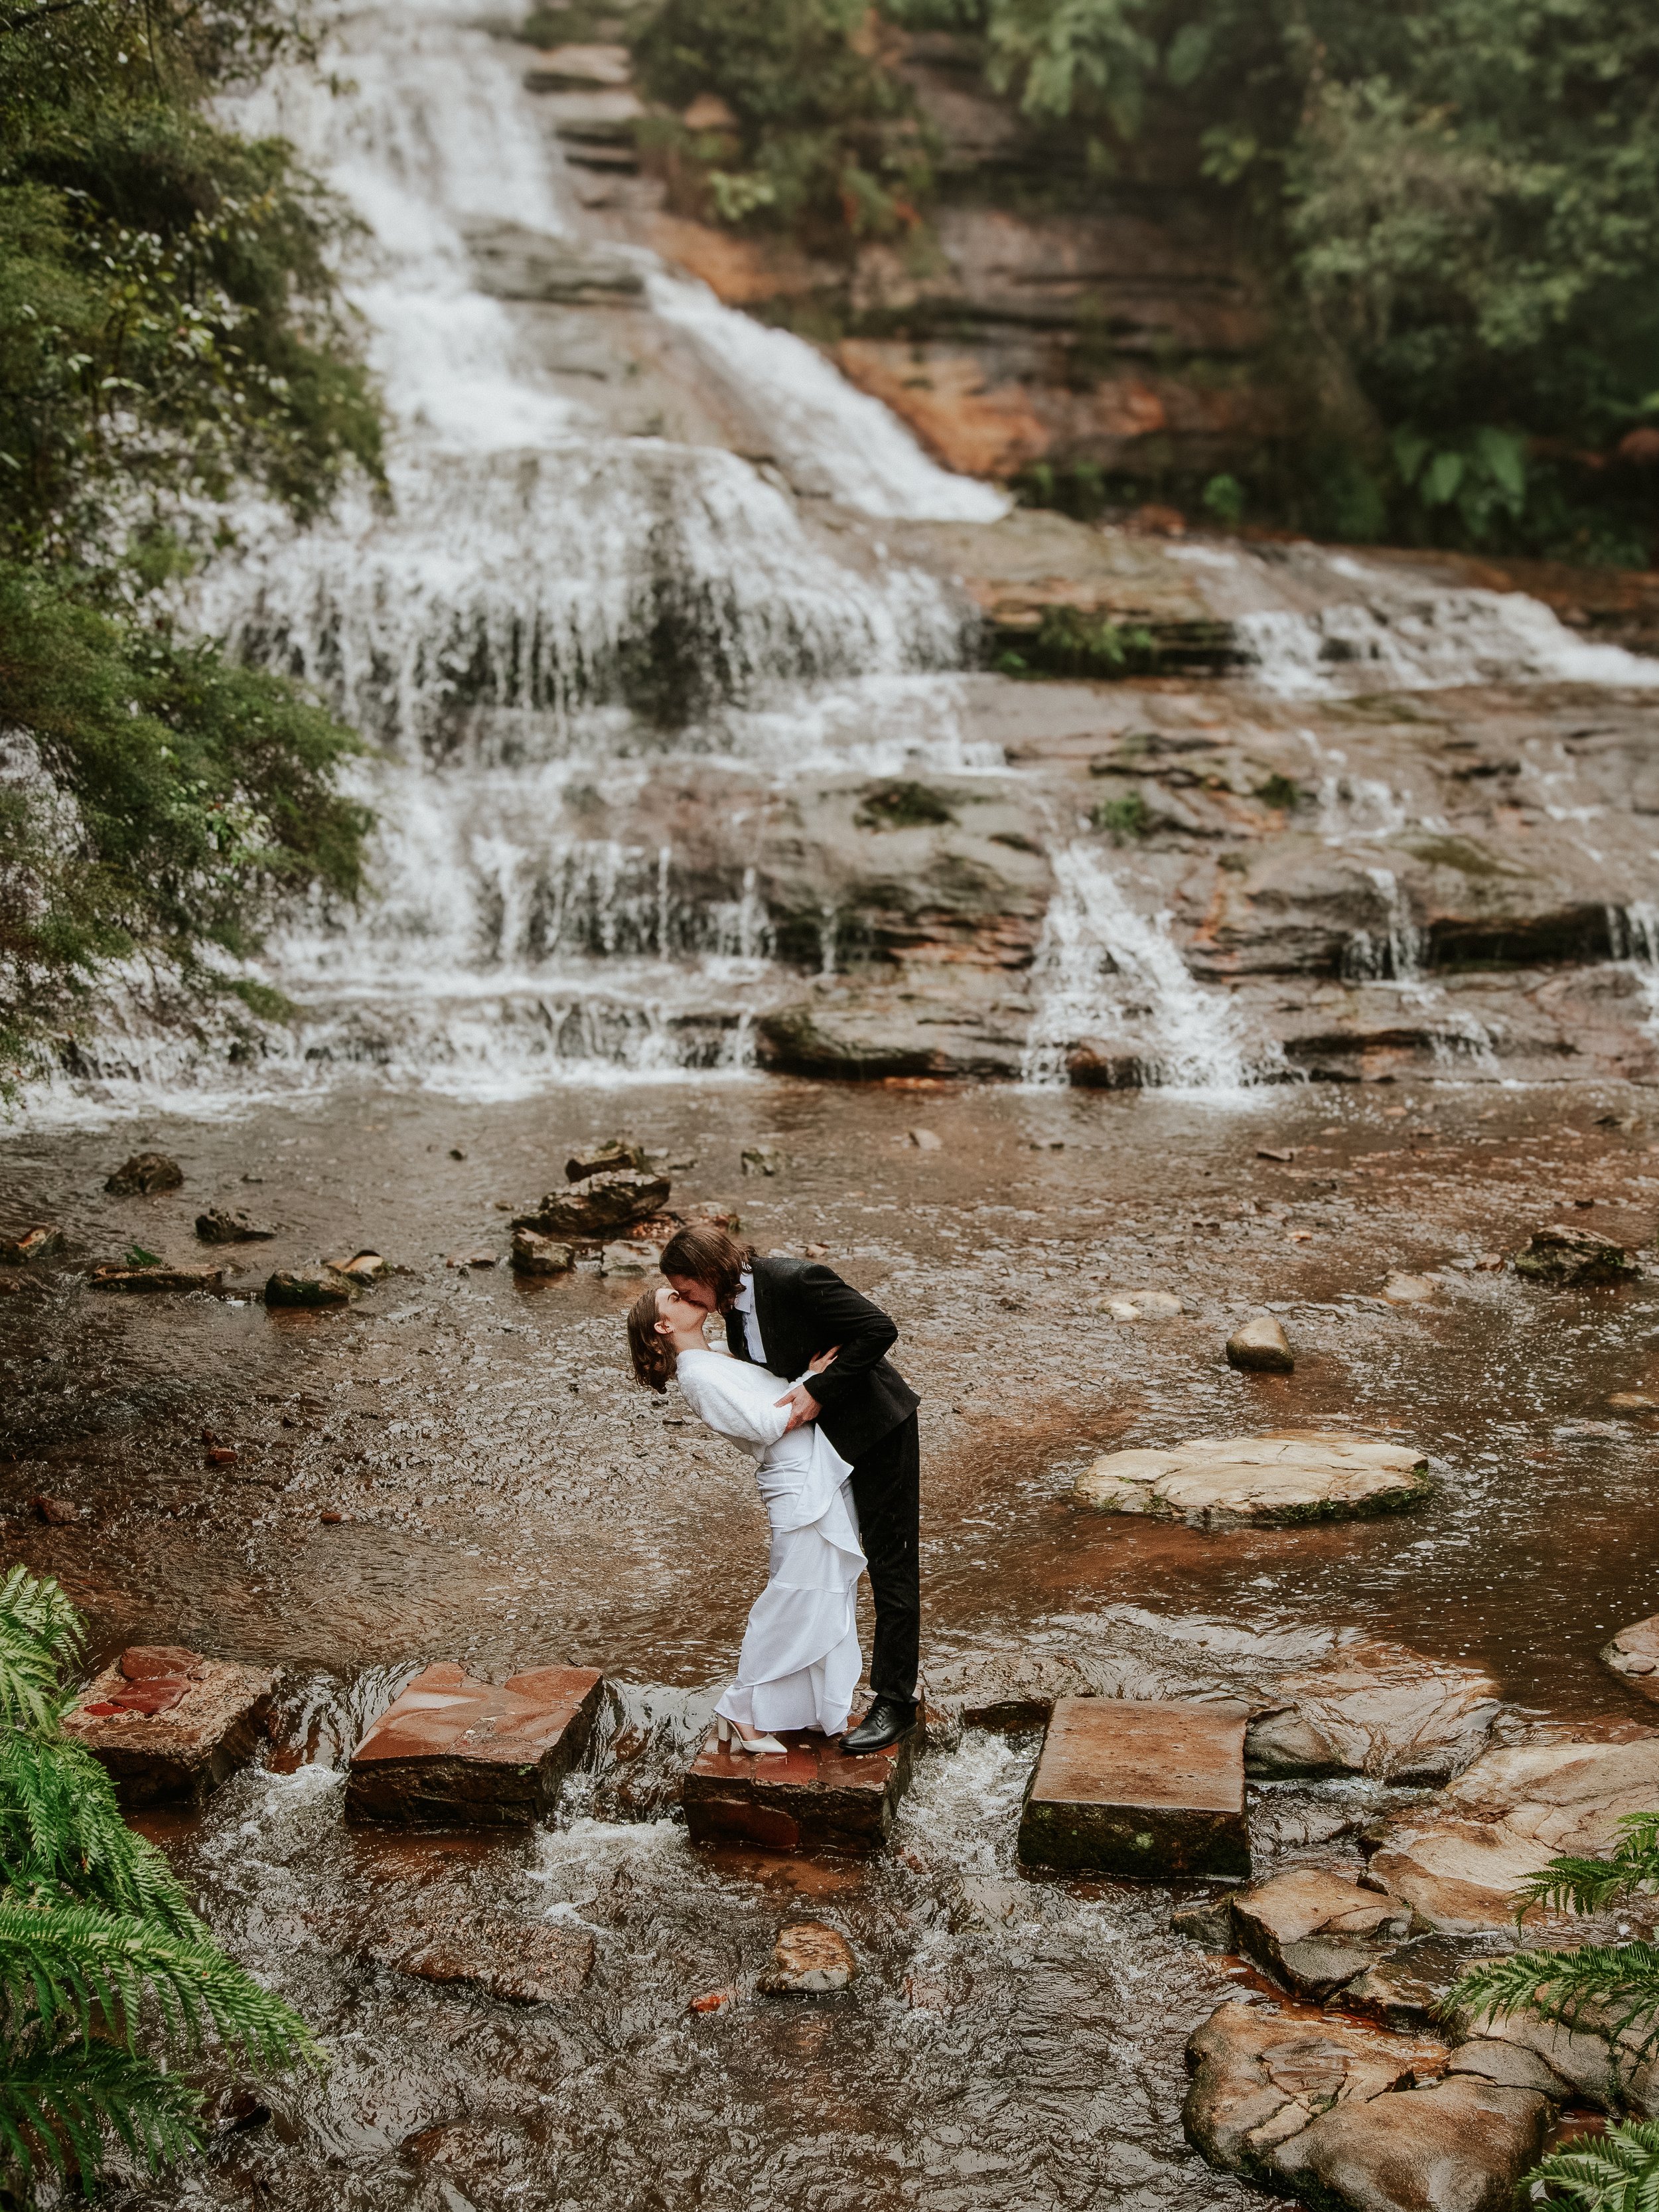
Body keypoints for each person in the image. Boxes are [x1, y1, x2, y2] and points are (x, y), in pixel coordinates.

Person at [658, 1222, 921, 1754]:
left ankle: (895, 1701)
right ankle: (806, 1701)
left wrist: (820, 1387)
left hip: (879, 1428)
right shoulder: (733, 1322)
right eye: (679, 1297)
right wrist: (804, 1390)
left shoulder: (795, 1279)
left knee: (891, 1564)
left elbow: (879, 1328)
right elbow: (768, 1395)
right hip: (823, 1453)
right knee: (830, 1575)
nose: (687, 1300)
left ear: (712, 1272)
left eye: (687, 1289)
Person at [626, 1282, 864, 1751]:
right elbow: (764, 1423)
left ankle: (816, 1708)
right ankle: (740, 1710)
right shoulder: (696, 1377)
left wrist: (806, 1374)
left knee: (829, 1593)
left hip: (818, 1468)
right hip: (795, 1483)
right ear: (663, 1325)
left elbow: (772, 1390)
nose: (685, 1292)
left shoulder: (718, 1352)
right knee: (795, 1595)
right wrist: (811, 1383)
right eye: (673, 1296)